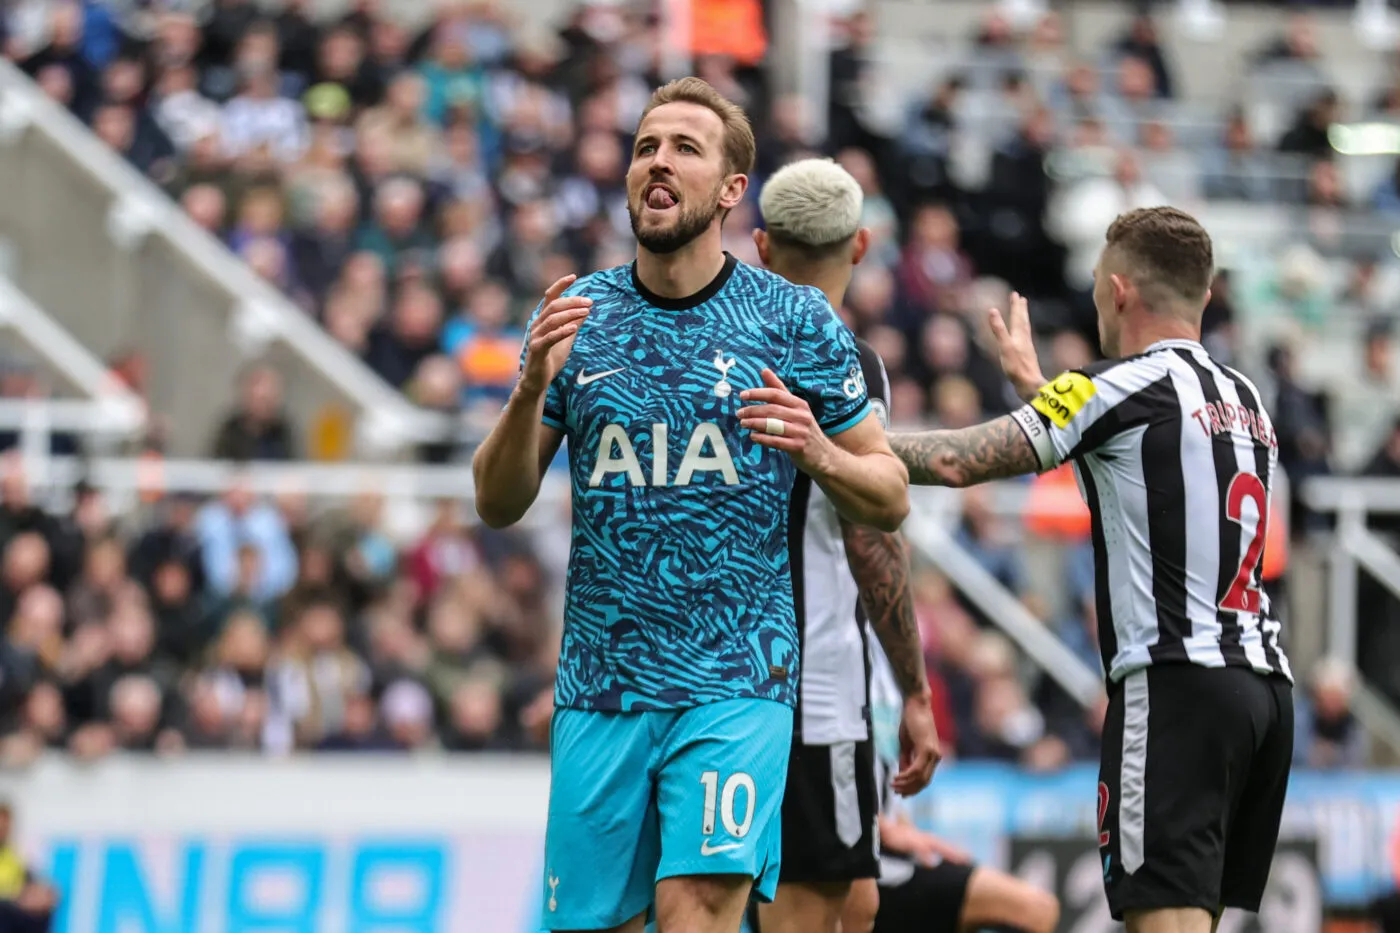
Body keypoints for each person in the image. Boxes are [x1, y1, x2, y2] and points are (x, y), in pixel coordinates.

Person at [471, 78, 910, 933]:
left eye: (684, 148)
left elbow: (888, 492)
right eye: (644, 147)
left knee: (702, 906)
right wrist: (530, 391)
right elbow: (497, 502)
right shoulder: (578, 315)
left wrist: (816, 450)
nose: (658, 162)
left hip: (739, 677)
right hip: (603, 685)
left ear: (731, 189)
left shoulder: (793, 321)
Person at [885, 206, 1294, 933]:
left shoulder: (1110, 384)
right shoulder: (1246, 396)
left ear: (1118, 289)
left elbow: (955, 458)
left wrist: (840, 439)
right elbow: (1136, 472)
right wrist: (1042, 391)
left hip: (1174, 686)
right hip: (1262, 691)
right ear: (1202, 295)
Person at [746, 158, 941, 933]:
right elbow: (872, 536)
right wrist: (916, 688)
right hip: (813, 690)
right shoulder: (847, 363)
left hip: (719, 674)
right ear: (860, 247)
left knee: (855, 900)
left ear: (761, 245)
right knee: (814, 911)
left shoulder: (712, 346)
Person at [839, 640, 1060, 933]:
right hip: (851, 849)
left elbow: (884, 770)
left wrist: (904, 827)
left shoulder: (883, 653)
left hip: (891, 849)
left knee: (1038, 909)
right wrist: (882, 827)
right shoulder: (831, 643)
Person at [0, 803, 58, 933]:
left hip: (13, 906)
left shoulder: (15, 855)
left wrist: (41, 895)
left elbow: (29, 881)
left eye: (5, 826)